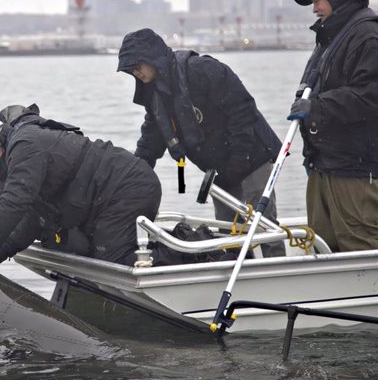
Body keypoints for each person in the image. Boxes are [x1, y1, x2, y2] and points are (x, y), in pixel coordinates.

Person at [117, 28, 285, 257]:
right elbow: (151, 139)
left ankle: (277, 275)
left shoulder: (202, 70)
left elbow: (242, 110)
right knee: (228, 233)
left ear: (152, 58)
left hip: (252, 156)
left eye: (137, 66)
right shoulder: (155, 94)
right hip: (220, 168)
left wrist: (239, 158)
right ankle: (239, 279)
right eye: (130, 70)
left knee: (264, 225)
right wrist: (135, 172)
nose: (135, 72)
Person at [0, 114, 162, 267]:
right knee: (98, 255)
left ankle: (187, 256)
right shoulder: (19, 155)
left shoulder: (25, 146)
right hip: (113, 194)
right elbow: (34, 219)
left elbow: (13, 203)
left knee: (113, 260)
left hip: (129, 187)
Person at [286, 0, 378, 252]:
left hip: (355, 169)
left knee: (359, 242)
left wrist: (317, 108)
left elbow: (370, 95)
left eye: (317, 0)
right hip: (324, 165)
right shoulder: (330, 37)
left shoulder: (367, 37)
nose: (314, 8)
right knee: (320, 243)